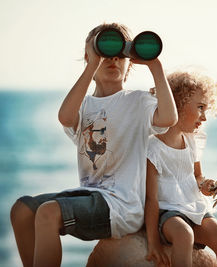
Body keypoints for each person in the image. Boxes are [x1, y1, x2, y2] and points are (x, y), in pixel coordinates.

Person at [9, 22, 178, 267]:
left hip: (122, 207)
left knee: (48, 212)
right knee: (22, 210)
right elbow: (66, 117)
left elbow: (168, 119)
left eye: (120, 56)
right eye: (104, 54)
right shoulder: (84, 104)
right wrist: (91, 64)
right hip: (91, 196)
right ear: (90, 56)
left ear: (130, 60)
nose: (112, 60)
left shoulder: (138, 101)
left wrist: (156, 66)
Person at [145, 70, 217, 267]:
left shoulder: (192, 140)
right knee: (184, 235)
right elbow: (151, 199)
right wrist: (153, 241)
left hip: (194, 207)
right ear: (177, 104)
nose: (204, 117)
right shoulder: (152, 147)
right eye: (200, 108)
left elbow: (197, 176)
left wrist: (206, 185)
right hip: (168, 212)